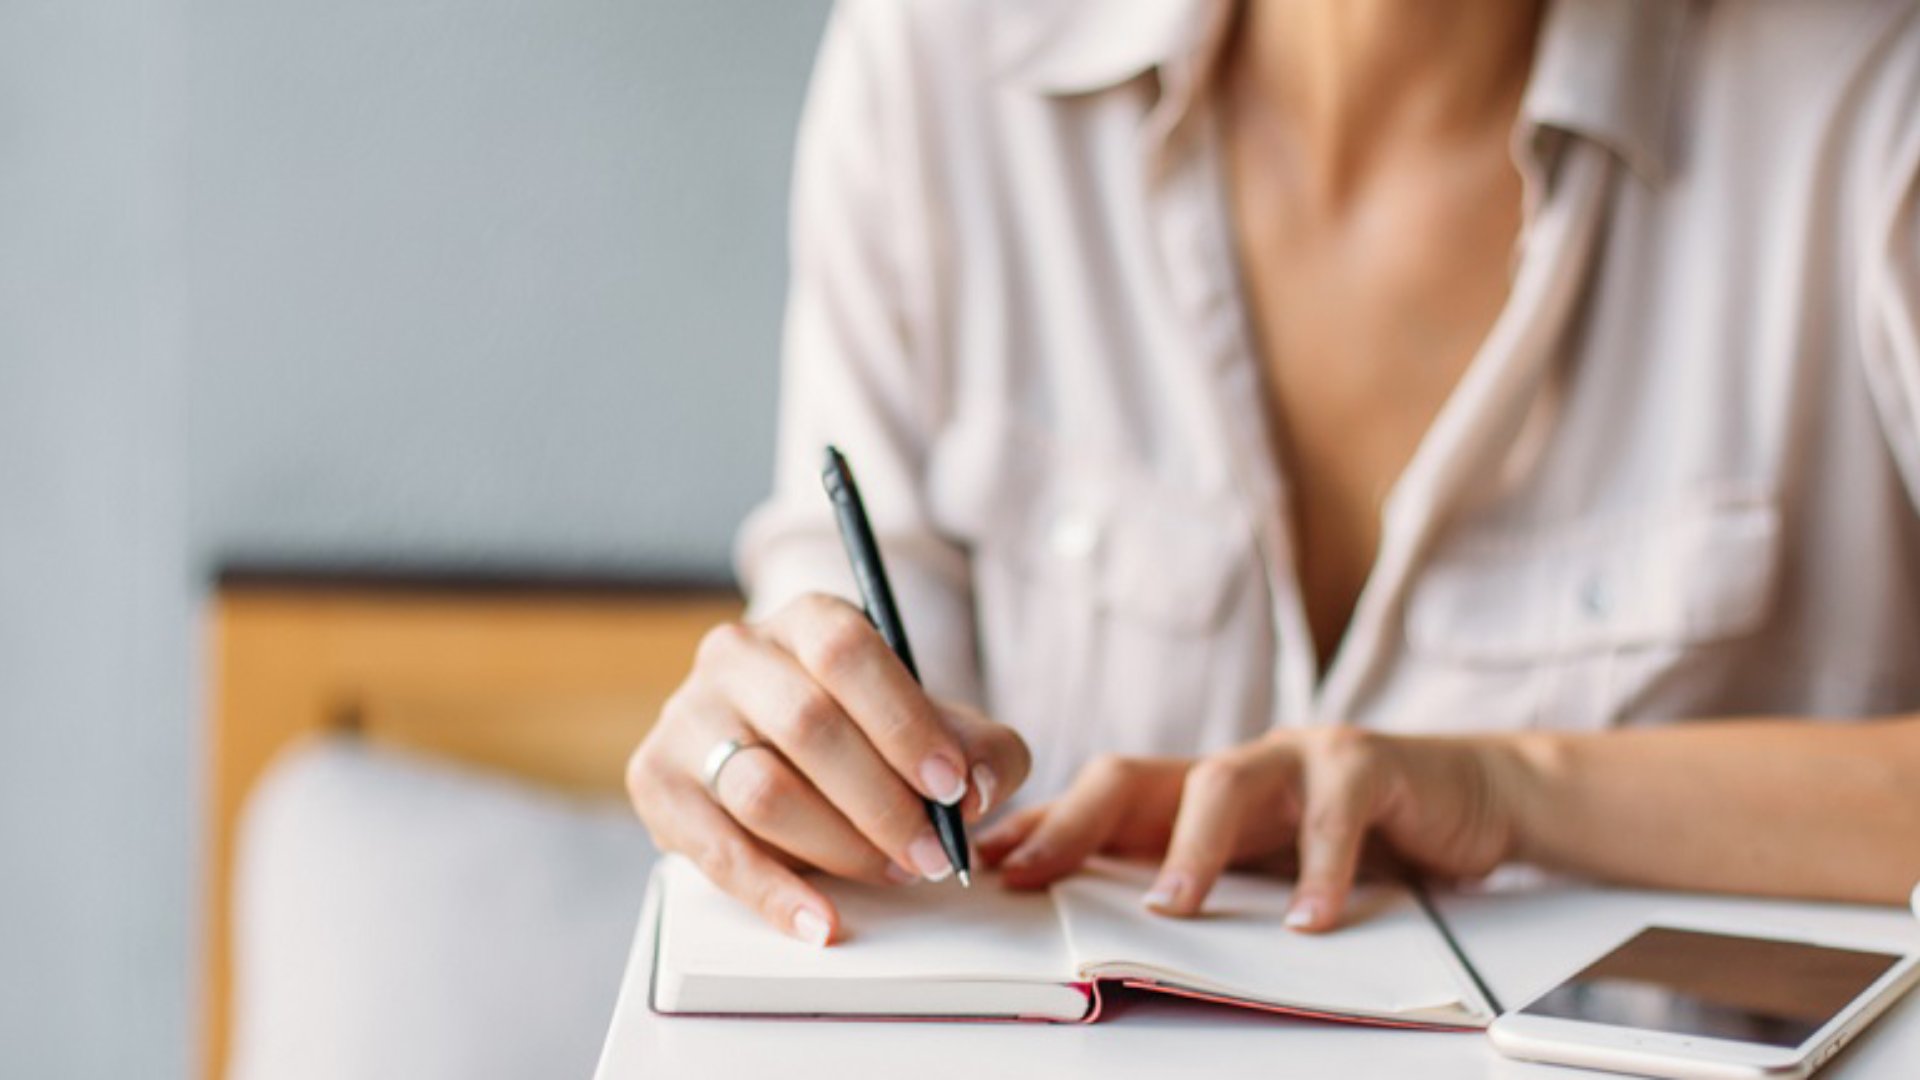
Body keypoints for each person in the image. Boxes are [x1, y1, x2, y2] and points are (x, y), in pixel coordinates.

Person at [628, 0, 1920, 945]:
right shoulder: (942, 66)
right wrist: (782, 745)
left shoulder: (1871, 103)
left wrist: (1510, 789)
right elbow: (852, 653)